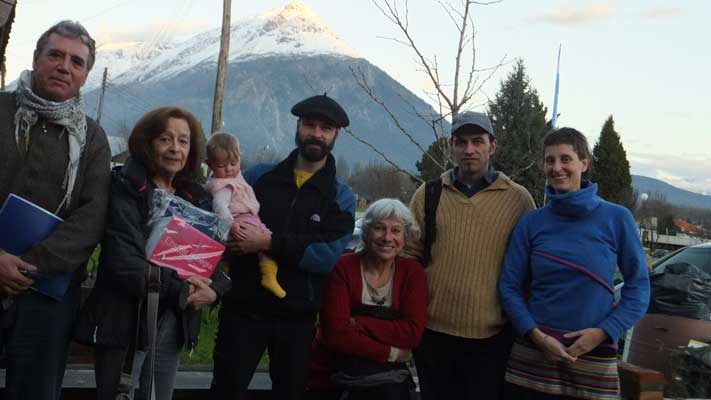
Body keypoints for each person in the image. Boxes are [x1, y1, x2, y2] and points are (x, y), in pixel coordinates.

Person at [75, 107, 231, 400]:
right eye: (165, 139)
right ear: (148, 144)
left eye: (183, 141)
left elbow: (216, 258)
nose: (175, 149)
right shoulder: (125, 187)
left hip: (173, 322)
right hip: (125, 322)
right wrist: (182, 287)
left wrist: (216, 291)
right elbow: (123, 261)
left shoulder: (197, 197)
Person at [211, 94, 356, 400]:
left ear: (336, 135)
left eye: (325, 128)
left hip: (298, 320)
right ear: (298, 127)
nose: (316, 133)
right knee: (225, 391)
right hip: (243, 311)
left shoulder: (341, 197)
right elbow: (220, 219)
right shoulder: (256, 177)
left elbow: (327, 255)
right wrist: (232, 245)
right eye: (310, 125)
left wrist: (268, 242)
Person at [0, 20, 111, 400]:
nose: (65, 66)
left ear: (85, 76)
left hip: (47, 295)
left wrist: (29, 265)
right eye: (56, 55)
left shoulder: (93, 138)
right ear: (35, 60)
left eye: (76, 62)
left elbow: (92, 216)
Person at [498, 127, 650, 399]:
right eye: (550, 160)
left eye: (565, 159)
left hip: (594, 358)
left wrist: (606, 331)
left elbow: (639, 287)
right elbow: (509, 287)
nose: (557, 168)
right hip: (533, 357)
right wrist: (535, 335)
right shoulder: (531, 223)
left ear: (584, 163)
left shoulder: (616, 218)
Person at [408, 111, 536, 399]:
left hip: (491, 338)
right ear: (451, 147)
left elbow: (529, 266)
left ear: (492, 146)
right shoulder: (427, 194)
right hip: (432, 335)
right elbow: (409, 259)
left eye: (477, 141)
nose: (469, 150)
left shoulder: (518, 199)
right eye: (461, 142)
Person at [307, 198, 427, 400]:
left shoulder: (412, 273)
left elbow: (412, 333)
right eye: (379, 228)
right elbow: (335, 334)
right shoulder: (343, 268)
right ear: (366, 232)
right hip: (333, 372)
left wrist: (360, 323)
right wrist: (391, 353)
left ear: (405, 237)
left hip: (387, 379)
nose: (387, 237)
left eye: (396, 231)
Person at [205, 132, 286, 298]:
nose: (229, 169)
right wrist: (231, 225)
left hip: (248, 217)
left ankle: (224, 268)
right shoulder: (223, 186)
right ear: (210, 165)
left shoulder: (235, 175)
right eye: (222, 165)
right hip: (240, 219)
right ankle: (269, 275)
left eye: (234, 163)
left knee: (233, 252)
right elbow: (219, 208)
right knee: (267, 240)